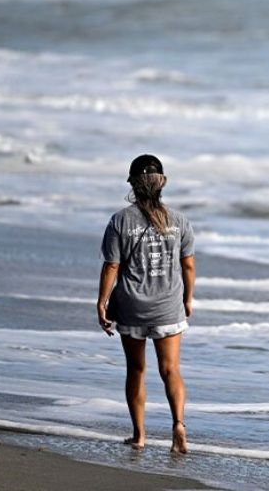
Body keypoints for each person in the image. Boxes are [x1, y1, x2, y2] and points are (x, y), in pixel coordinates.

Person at [97, 154, 196, 454]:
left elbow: (112, 266)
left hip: (132, 306)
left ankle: (139, 436)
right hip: (168, 305)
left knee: (136, 370)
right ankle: (179, 425)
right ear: (162, 183)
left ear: (132, 184)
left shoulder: (120, 220)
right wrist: (187, 299)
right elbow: (188, 266)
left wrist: (102, 302)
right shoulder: (179, 221)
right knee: (171, 370)